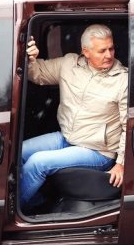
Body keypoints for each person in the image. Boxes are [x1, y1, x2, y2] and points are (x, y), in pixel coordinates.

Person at [21, 24, 128, 211]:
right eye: (102, 50)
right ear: (85, 51)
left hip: (98, 151)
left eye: (111, 48)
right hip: (67, 138)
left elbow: (131, 125)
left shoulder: (123, 80)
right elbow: (37, 74)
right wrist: (31, 59)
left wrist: (121, 163)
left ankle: (11, 213)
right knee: (18, 152)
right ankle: (35, 201)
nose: (109, 55)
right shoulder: (69, 64)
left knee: (38, 163)